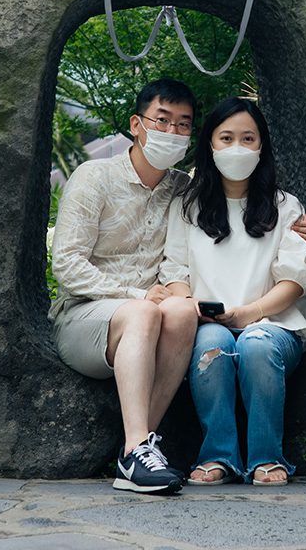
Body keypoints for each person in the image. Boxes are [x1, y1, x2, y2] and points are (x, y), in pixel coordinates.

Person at [48, 78, 202, 494]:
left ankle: (138, 450)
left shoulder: (184, 189)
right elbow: (66, 263)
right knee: (144, 311)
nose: (172, 133)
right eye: (162, 120)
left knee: (183, 311)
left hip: (150, 315)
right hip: (85, 317)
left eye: (183, 125)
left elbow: (227, 222)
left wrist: (292, 223)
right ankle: (137, 449)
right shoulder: (94, 176)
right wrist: (135, 295)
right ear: (137, 123)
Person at [161, 97, 306, 487]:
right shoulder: (188, 205)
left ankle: (267, 457)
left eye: (247, 138)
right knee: (211, 344)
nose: (237, 148)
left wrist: (248, 314)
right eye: (227, 138)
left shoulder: (286, 208)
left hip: (275, 324)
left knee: (256, 343)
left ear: (261, 145)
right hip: (207, 321)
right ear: (210, 146)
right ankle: (219, 455)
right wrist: (192, 304)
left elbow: (294, 279)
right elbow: (174, 268)